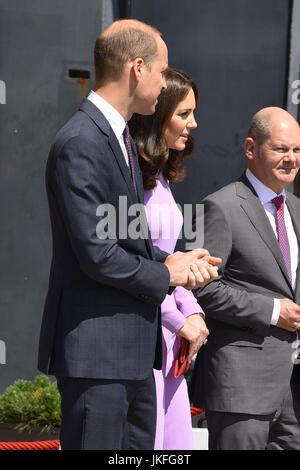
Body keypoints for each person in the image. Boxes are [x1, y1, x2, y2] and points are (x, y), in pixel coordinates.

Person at [37, 19, 221, 450]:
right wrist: (169, 274)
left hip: (134, 357)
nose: (163, 84)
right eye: (161, 71)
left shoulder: (117, 139)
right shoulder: (82, 141)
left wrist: (175, 264)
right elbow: (96, 253)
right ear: (137, 68)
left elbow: (126, 241)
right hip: (98, 357)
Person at [191, 107, 300, 450]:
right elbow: (203, 289)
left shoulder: (296, 209)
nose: (291, 159)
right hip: (242, 387)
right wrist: (271, 311)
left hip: (293, 390)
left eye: (297, 150)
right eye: (281, 149)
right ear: (251, 148)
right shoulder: (220, 206)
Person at [129, 67, 208, 450]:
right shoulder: (134, 180)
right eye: (183, 114)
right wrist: (180, 320)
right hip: (145, 338)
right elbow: (133, 264)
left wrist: (193, 312)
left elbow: (168, 260)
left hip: (169, 341)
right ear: (158, 117)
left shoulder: (159, 177)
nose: (193, 123)